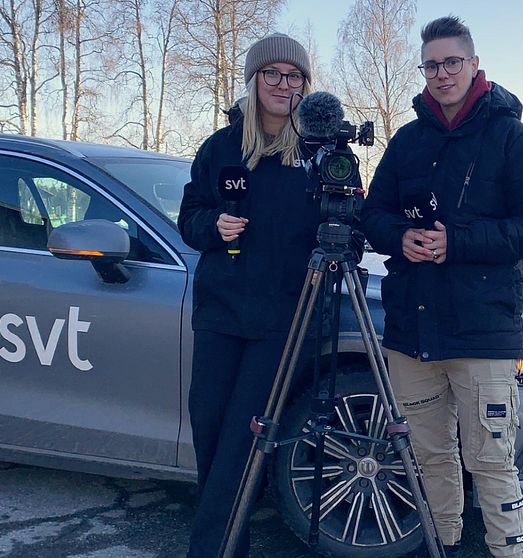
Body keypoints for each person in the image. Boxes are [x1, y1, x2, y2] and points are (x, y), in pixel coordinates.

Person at [360, 15, 523, 558]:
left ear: (475, 65)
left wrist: (461, 242)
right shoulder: (407, 141)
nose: (442, 73)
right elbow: (371, 214)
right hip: (413, 331)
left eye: (453, 61)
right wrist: (399, 238)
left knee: (492, 463)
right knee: (428, 459)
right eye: (432, 64)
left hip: (482, 332)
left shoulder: (514, 139)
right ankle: (440, 547)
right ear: (423, 72)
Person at [177, 33, 318, 558]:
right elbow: (188, 220)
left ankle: (210, 550)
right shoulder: (220, 147)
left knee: (243, 440)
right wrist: (214, 224)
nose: (284, 84)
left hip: (281, 320)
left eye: (295, 76)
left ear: (306, 85)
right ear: (254, 79)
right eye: (273, 74)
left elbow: (350, 222)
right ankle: (228, 544)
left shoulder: (318, 152)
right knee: (211, 431)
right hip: (220, 313)